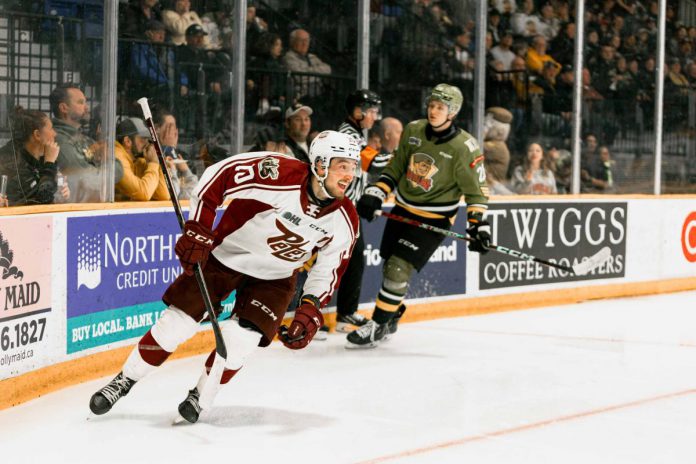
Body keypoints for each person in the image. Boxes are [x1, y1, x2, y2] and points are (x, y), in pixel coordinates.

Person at [89, 131, 361, 423]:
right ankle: (125, 379)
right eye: (342, 165)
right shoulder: (278, 173)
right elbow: (219, 176)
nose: (350, 174)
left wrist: (310, 309)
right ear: (320, 164)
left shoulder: (345, 220)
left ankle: (201, 395)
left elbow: (328, 271)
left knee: (239, 341)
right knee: (176, 323)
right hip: (226, 256)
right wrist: (199, 228)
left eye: (353, 166)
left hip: (275, 278)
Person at [347, 83, 490, 348]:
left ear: (453, 112)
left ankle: (377, 325)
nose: (433, 111)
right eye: (432, 105)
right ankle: (391, 315)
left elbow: (477, 193)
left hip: (433, 220)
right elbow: (396, 167)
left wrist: (478, 226)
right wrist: (376, 193)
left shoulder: (465, 147)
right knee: (389, 263)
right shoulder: (413, 130)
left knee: (397, 267)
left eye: (440, 107)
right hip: (403, 209)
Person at [333, 89, 390, 333]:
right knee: (351, 260)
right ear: (358, 111)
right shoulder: (348, 135)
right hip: (339, 209)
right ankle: (344, 313)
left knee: (351, 260)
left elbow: (360, 174)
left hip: (346, 208)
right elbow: (374, 162)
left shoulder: (354, 134)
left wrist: (366, 197)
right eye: (372, 111)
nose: (375, 117)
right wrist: (402, 158)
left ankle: (344, 312)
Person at [50, 84, 123, 202]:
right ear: (64, 108)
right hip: (73, 211)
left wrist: (102, 162)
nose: (87, 107)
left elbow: (119, 171)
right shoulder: (59, 140)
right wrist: (104, 160)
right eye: (80, 102)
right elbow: (86, 179)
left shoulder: (83, 138)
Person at [0, 107, 70, 206]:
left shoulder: (40, 158)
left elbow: (48, 192)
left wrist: (61, 191)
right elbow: (41, 200)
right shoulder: (12, 161)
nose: (55, 133)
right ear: (37, 135)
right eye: (51, 128)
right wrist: (49, 163)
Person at [114, 117, 169, 201]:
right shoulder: (117, 158)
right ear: (127, 141)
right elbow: (143, 194)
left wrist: (158, 163)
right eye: (143, 139)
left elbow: (164, 194)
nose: (147, 143)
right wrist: (153, 163)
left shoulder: (138, 160)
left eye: (148, 139)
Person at [153, 109, 198, 200]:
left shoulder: (182, 157)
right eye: (169, 127)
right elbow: (172, 194)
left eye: (174, 127)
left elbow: (193, 193)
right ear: (156, 129)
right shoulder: (151, 157)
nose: (173, 132)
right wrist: (168, 149)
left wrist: (170, 150)